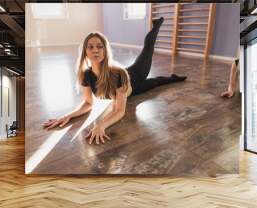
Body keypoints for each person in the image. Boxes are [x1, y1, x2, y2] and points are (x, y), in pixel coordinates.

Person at [43, 17, 186, 144]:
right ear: (85, 52)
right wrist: (69, 115)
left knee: (148, 50)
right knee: (155, 82)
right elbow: (88, 103)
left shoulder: (118, 74)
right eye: (90, 47)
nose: (95, 50)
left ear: (105, 51)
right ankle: (172, 78)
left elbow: (119, 110)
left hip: (135, 74)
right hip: (130, 91)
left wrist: (101, 125)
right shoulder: (85, 75)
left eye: (100, 46)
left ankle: (157, 25)